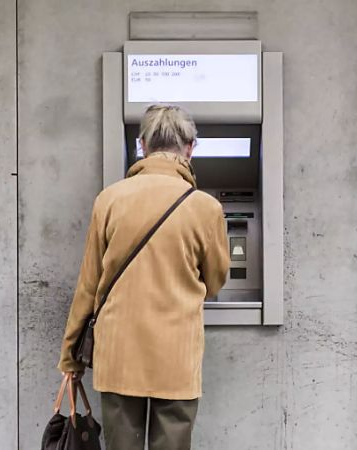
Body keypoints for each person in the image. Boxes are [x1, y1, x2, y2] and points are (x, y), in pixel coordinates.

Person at [57, 104, 230, 450]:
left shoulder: (109, 200)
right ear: (190, 148)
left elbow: (89, 284)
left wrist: (70, 355)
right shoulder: (206, 208)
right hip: (176, 357)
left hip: (119, 355)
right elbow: (214, 282)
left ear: (141, 145)